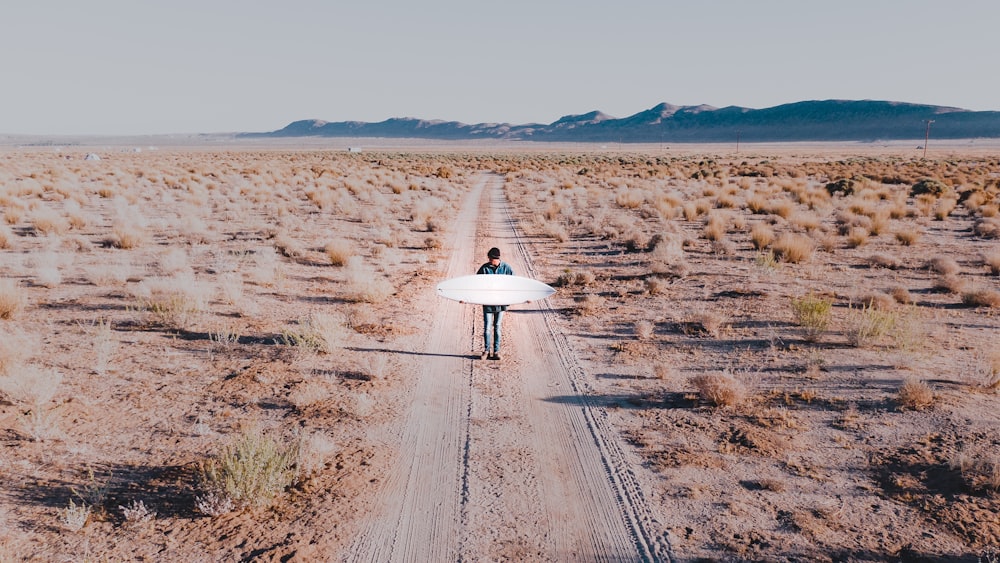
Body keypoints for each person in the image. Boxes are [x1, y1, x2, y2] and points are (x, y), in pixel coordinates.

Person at [477, 247, 513, 360]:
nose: (489, 260)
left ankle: (496, 351)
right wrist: (466, 298)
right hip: (488, 303)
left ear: (495, 258)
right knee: (487, 328)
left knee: (497, 327)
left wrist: (525, 297)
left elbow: (515, 284)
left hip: (501, 304)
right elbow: (475, 284)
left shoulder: (506, 268)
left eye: (490, 258)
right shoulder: (484, 268)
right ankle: (486, 351)